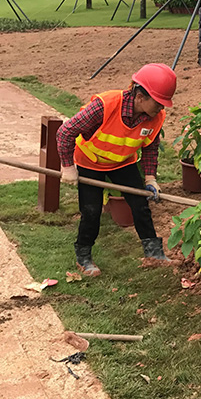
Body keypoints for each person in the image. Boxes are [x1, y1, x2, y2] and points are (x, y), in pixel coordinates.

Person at [56, 63, 177, 276]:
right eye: (158, 103)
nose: (161, 108)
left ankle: (154, 253)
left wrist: (150, 178)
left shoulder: (156, 117)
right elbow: (65, 132)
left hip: (123, 162)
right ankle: (84, 257)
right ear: (140, 96)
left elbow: (150, 147)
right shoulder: (105, 105)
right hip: (90, 162)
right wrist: (68, 167)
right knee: (91, 211)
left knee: (140, 205)